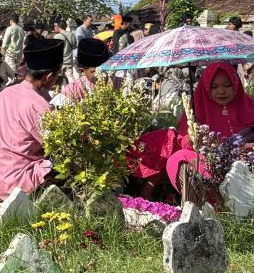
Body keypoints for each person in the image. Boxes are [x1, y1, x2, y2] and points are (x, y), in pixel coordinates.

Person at [131, 61, 254, 196]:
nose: (221, 91)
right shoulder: (196, 108)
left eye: (227, 85)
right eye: (214, 87)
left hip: (246, 166)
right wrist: (192, 137)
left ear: (236, 84)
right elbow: (184, 143)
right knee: (177, 158)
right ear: (206, 87)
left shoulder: (249, 105)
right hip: (210, 167)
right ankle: (210, 200)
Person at [0, 37, 65, 199]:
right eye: (57, 75)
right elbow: (57, 145)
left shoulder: (4, 94)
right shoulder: (37, 105)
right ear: (49, 76)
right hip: (17, 185)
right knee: (70, 160)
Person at [59, 38, 112, 103]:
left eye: (106, 69)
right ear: (82, 71)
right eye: (95, 71)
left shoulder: (118, 83)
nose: (103, 75)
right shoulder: (72, 90)